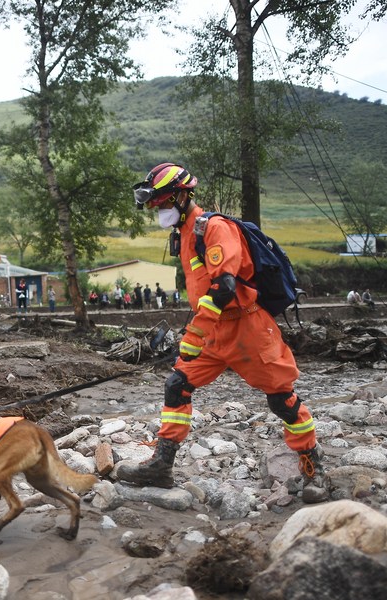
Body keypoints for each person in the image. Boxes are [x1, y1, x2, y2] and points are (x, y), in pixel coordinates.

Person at [120, 163, 325, 499]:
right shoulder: (184, 233)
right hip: (214, 331)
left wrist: (195, 334)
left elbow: (225, 287)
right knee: (177, 386)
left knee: (283, 400)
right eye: (157, 205)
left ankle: (312, 467)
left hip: (247, 328)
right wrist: (198, 332)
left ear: (184, 196)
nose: (160, 209)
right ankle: (161, 466)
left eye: (165, 202)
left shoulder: (213, 228)